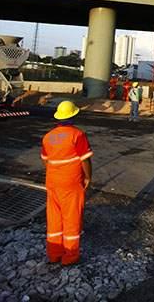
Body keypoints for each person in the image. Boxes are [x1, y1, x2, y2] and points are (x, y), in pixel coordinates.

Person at [41, 100, 93, 266]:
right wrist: (88, 177)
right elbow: (85, 160)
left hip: (52, 182)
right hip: (71, 182)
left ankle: (54, 254)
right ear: (73, 115)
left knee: (54, 217)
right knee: (71, 218)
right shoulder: (77, 135)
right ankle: (70, 257)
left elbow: (46, 161)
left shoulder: (48, 137)